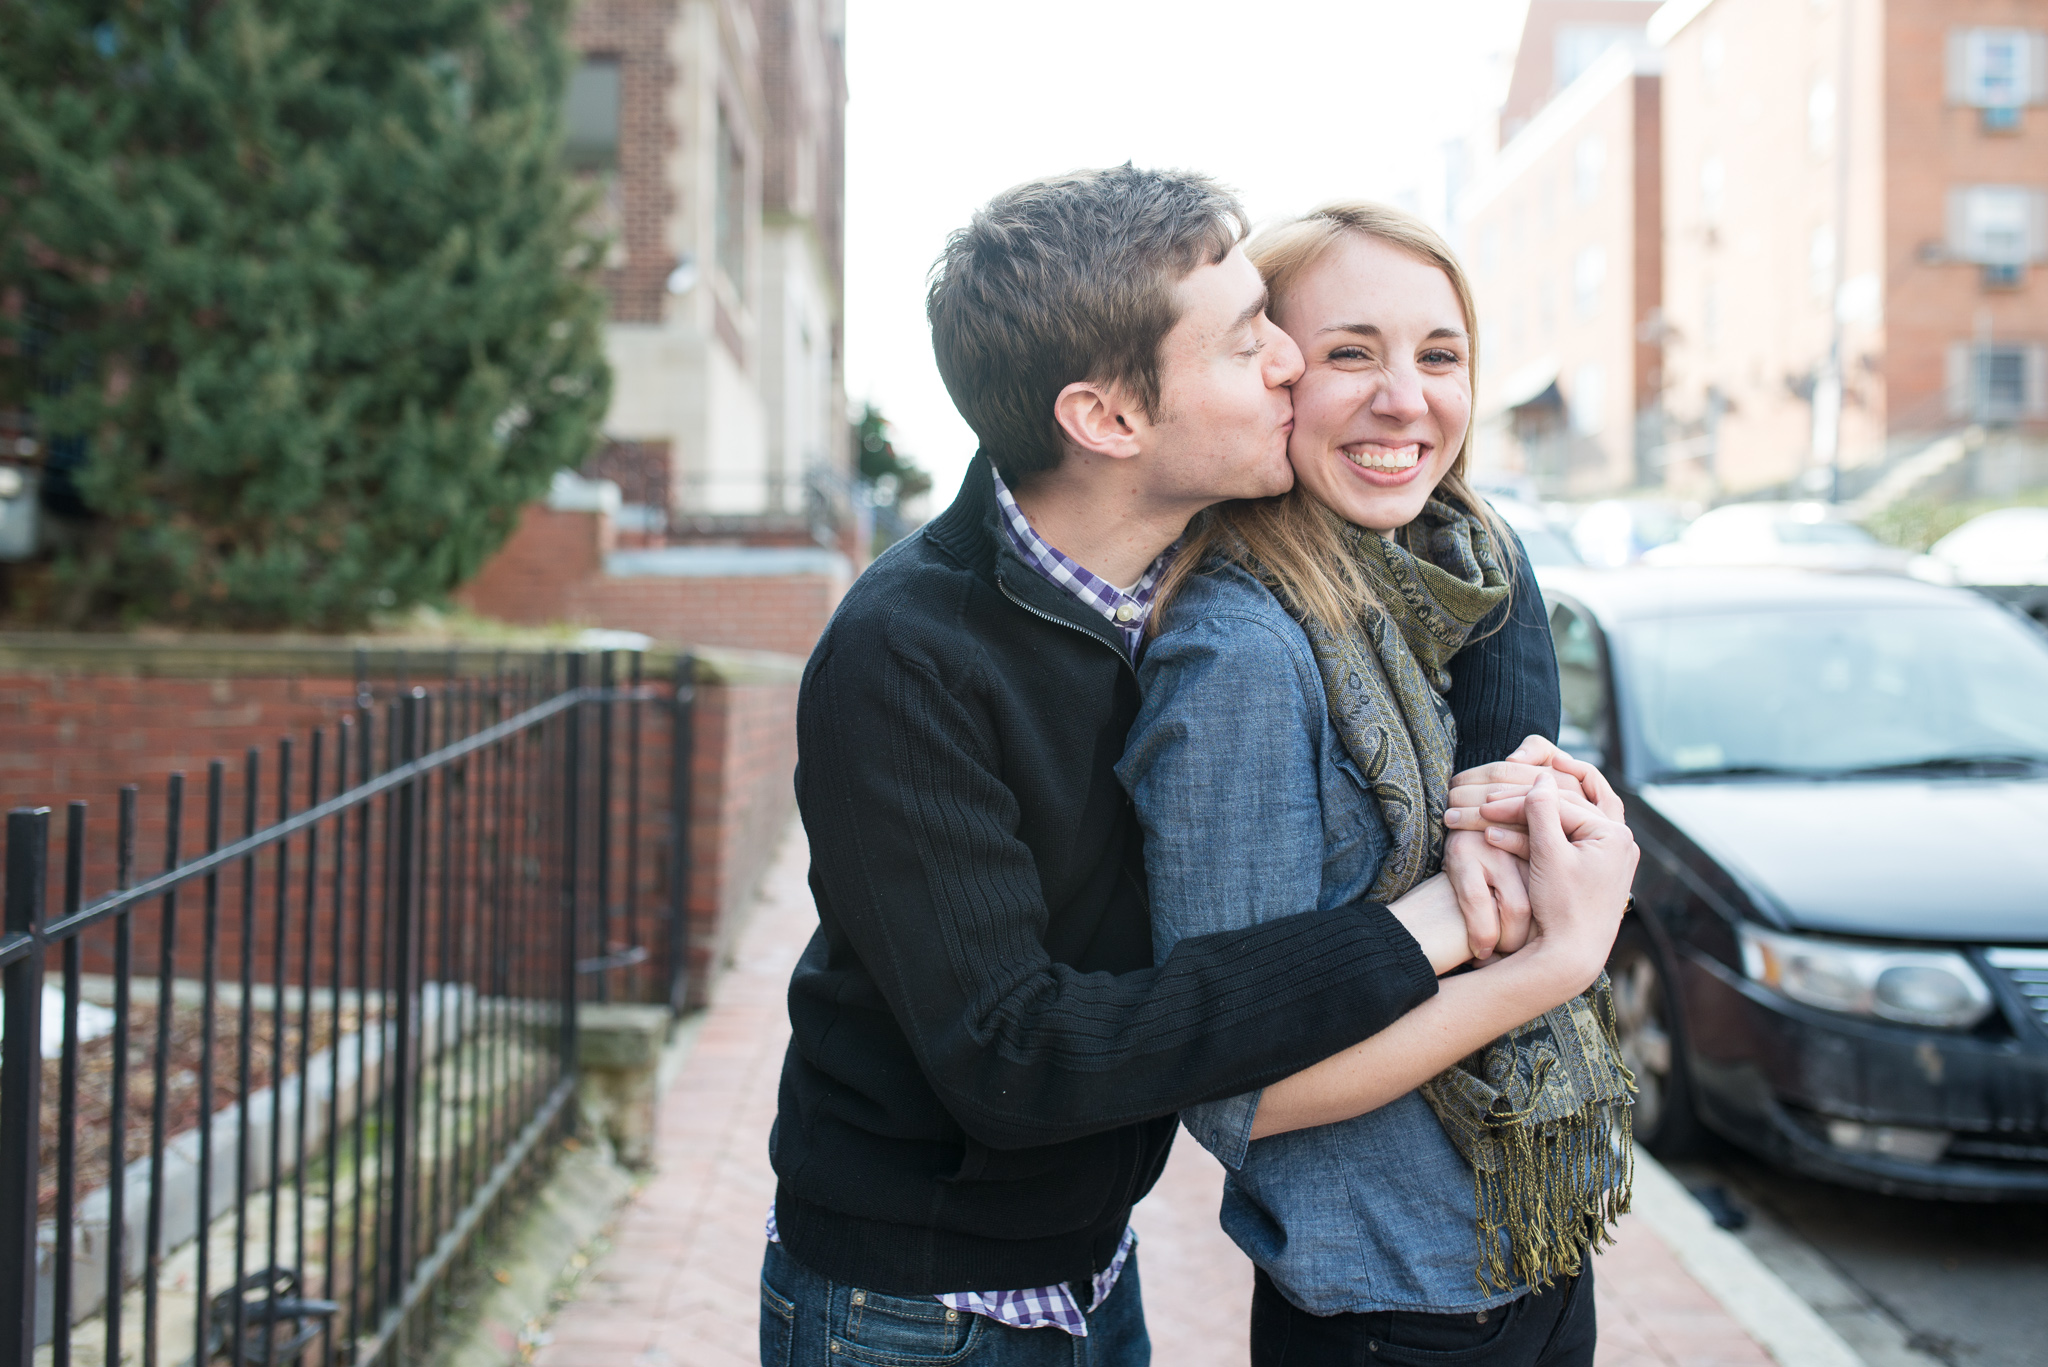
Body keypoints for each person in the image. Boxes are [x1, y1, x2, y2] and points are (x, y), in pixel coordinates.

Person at [761, 166, 1638, 1367]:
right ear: (1109, 421)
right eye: (1248, 343)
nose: (1286, 363)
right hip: (918, 1299)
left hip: (1092, 1261)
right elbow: (1014, 1055)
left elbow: (1464, 573)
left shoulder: (1179, 579)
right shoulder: (909, 656)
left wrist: (1522, 789)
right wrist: (1452, 935)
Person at [1121, 201, 1638, 1367]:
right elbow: (1241, 1097)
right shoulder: (1241, 654)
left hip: (1528, 1248)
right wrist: (1556, 957)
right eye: (1350, 352)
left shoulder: (1448, 580)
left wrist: (1566, 820)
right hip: (1390, 1306)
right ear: (1272, 378)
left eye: (1437, 355)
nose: (1406, 399)